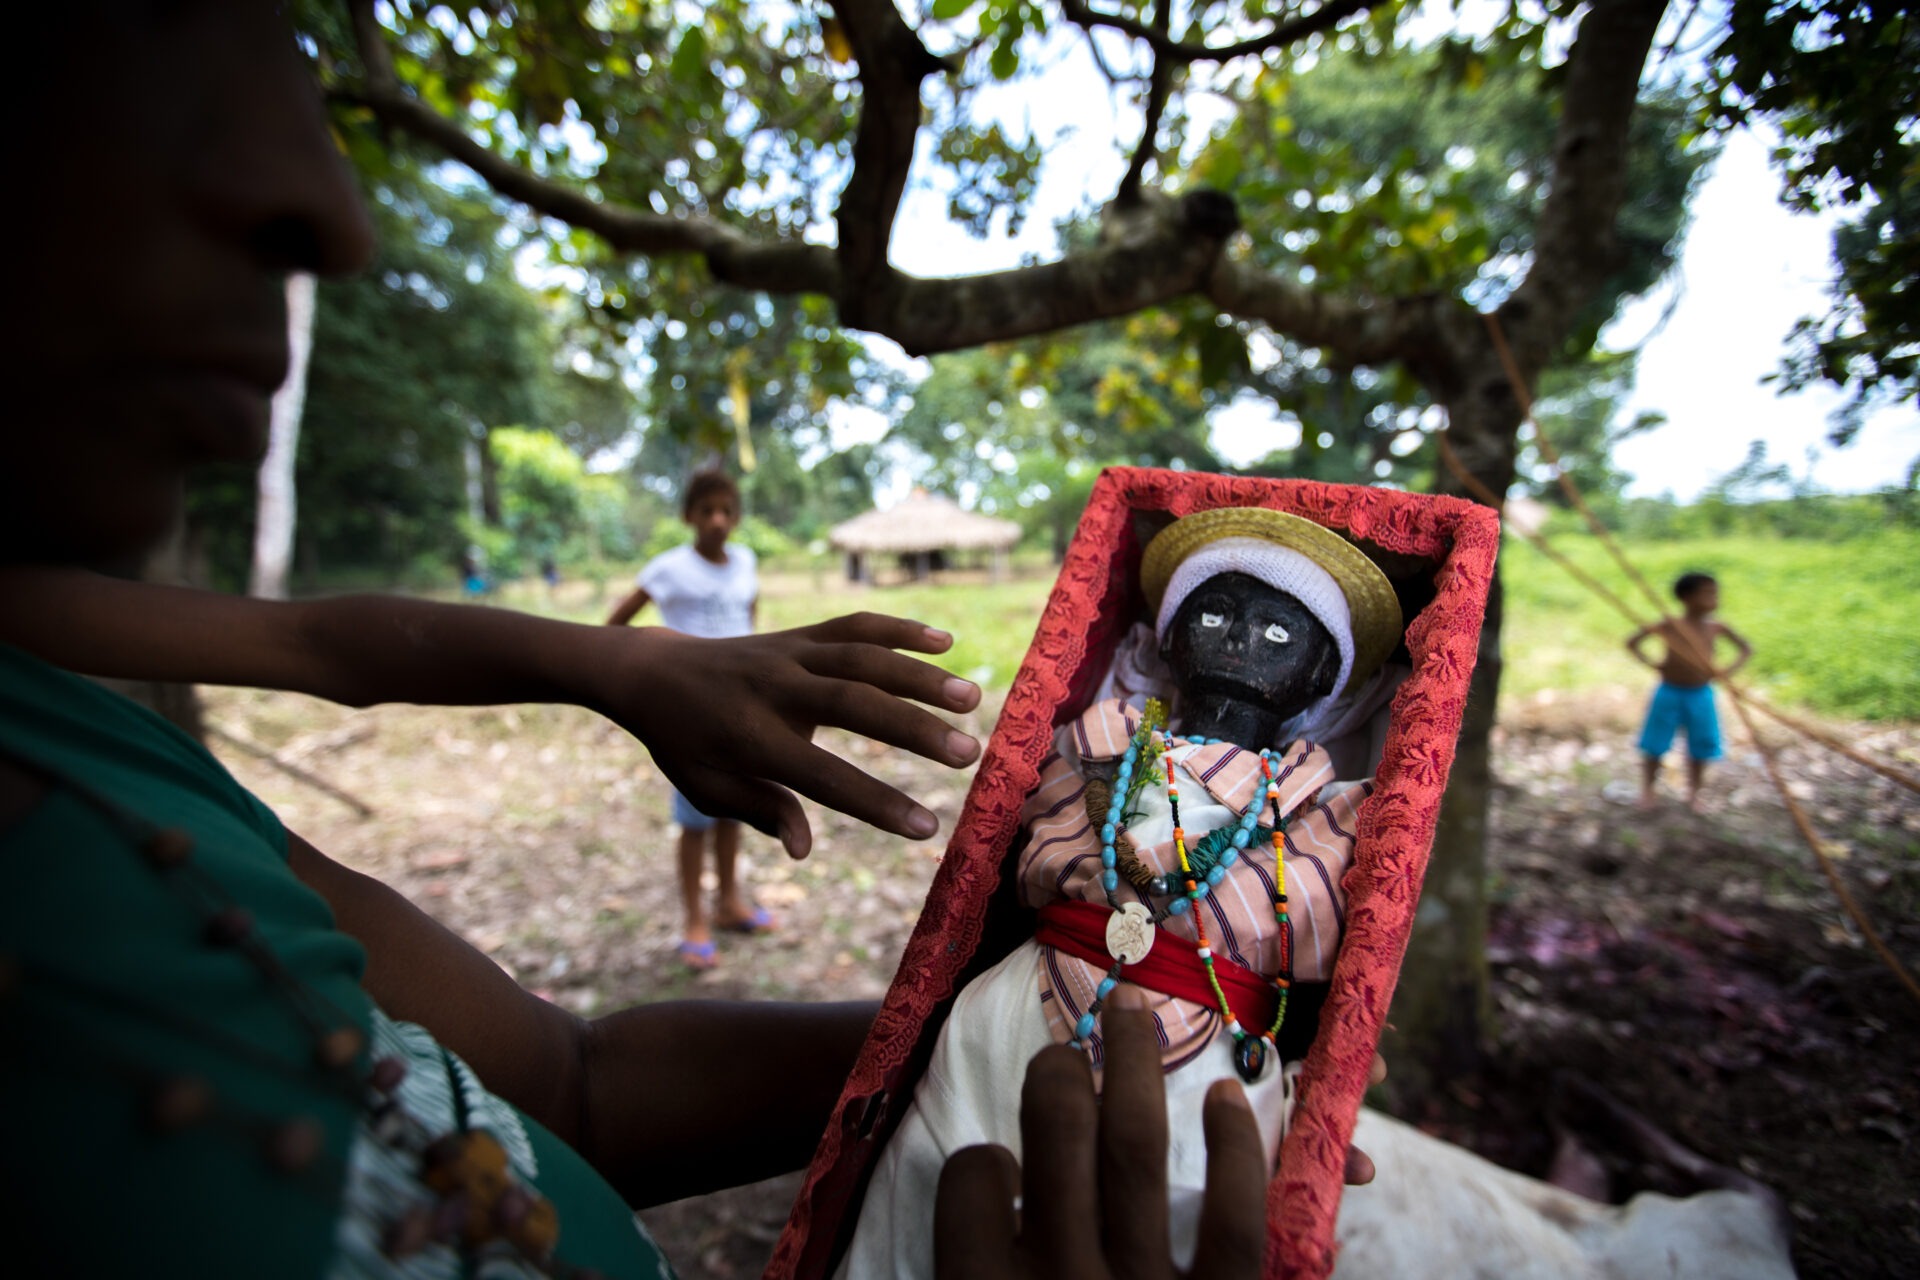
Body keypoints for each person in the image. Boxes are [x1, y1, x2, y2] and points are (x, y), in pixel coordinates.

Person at [0, 6, 1278, 1277]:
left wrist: (993, 1018)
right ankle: (709, 908)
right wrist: (618, 647)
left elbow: (576, 1086)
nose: (333, 212)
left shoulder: (83, 741)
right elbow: (333, 645)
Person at [838, 506, 1403, 1279]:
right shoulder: (1098, 742)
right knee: (924, 1199)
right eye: (1213, 614)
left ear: (1318, 676)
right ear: (1167, 639)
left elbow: (1321, 947)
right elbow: (1030, 849)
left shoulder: (1321, 806)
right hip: (1013, 1012)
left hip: (1211, 1049)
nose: (1240, 642)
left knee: (1186, 1203)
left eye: (1280, 634)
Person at [604, 470, 770, 969]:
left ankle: (729, 901)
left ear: (736, 516)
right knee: (695, 816)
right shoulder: (669, 568)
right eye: (707, 511)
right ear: (689, 516)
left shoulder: (745, 561)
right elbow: (615, 626)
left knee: (734, 809)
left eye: (726, 510)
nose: (717, 520)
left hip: (741, 707)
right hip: (690, 714)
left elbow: (751, 615)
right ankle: (694, 917)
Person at [1626, 572, 1753, 811]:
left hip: (1701, 694)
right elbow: (1632, 642)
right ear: (1686, 597)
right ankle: (1647, 791)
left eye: (1715, 593)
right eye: (1707, 593)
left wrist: (1726, 671)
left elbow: (1746, 648)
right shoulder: (1671, 625)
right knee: (1654, 743)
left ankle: (1694, 793)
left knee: (1701, 745)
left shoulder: (1716, 627)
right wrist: (1653, 663)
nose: (1714, 598)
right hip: (1669, 692)